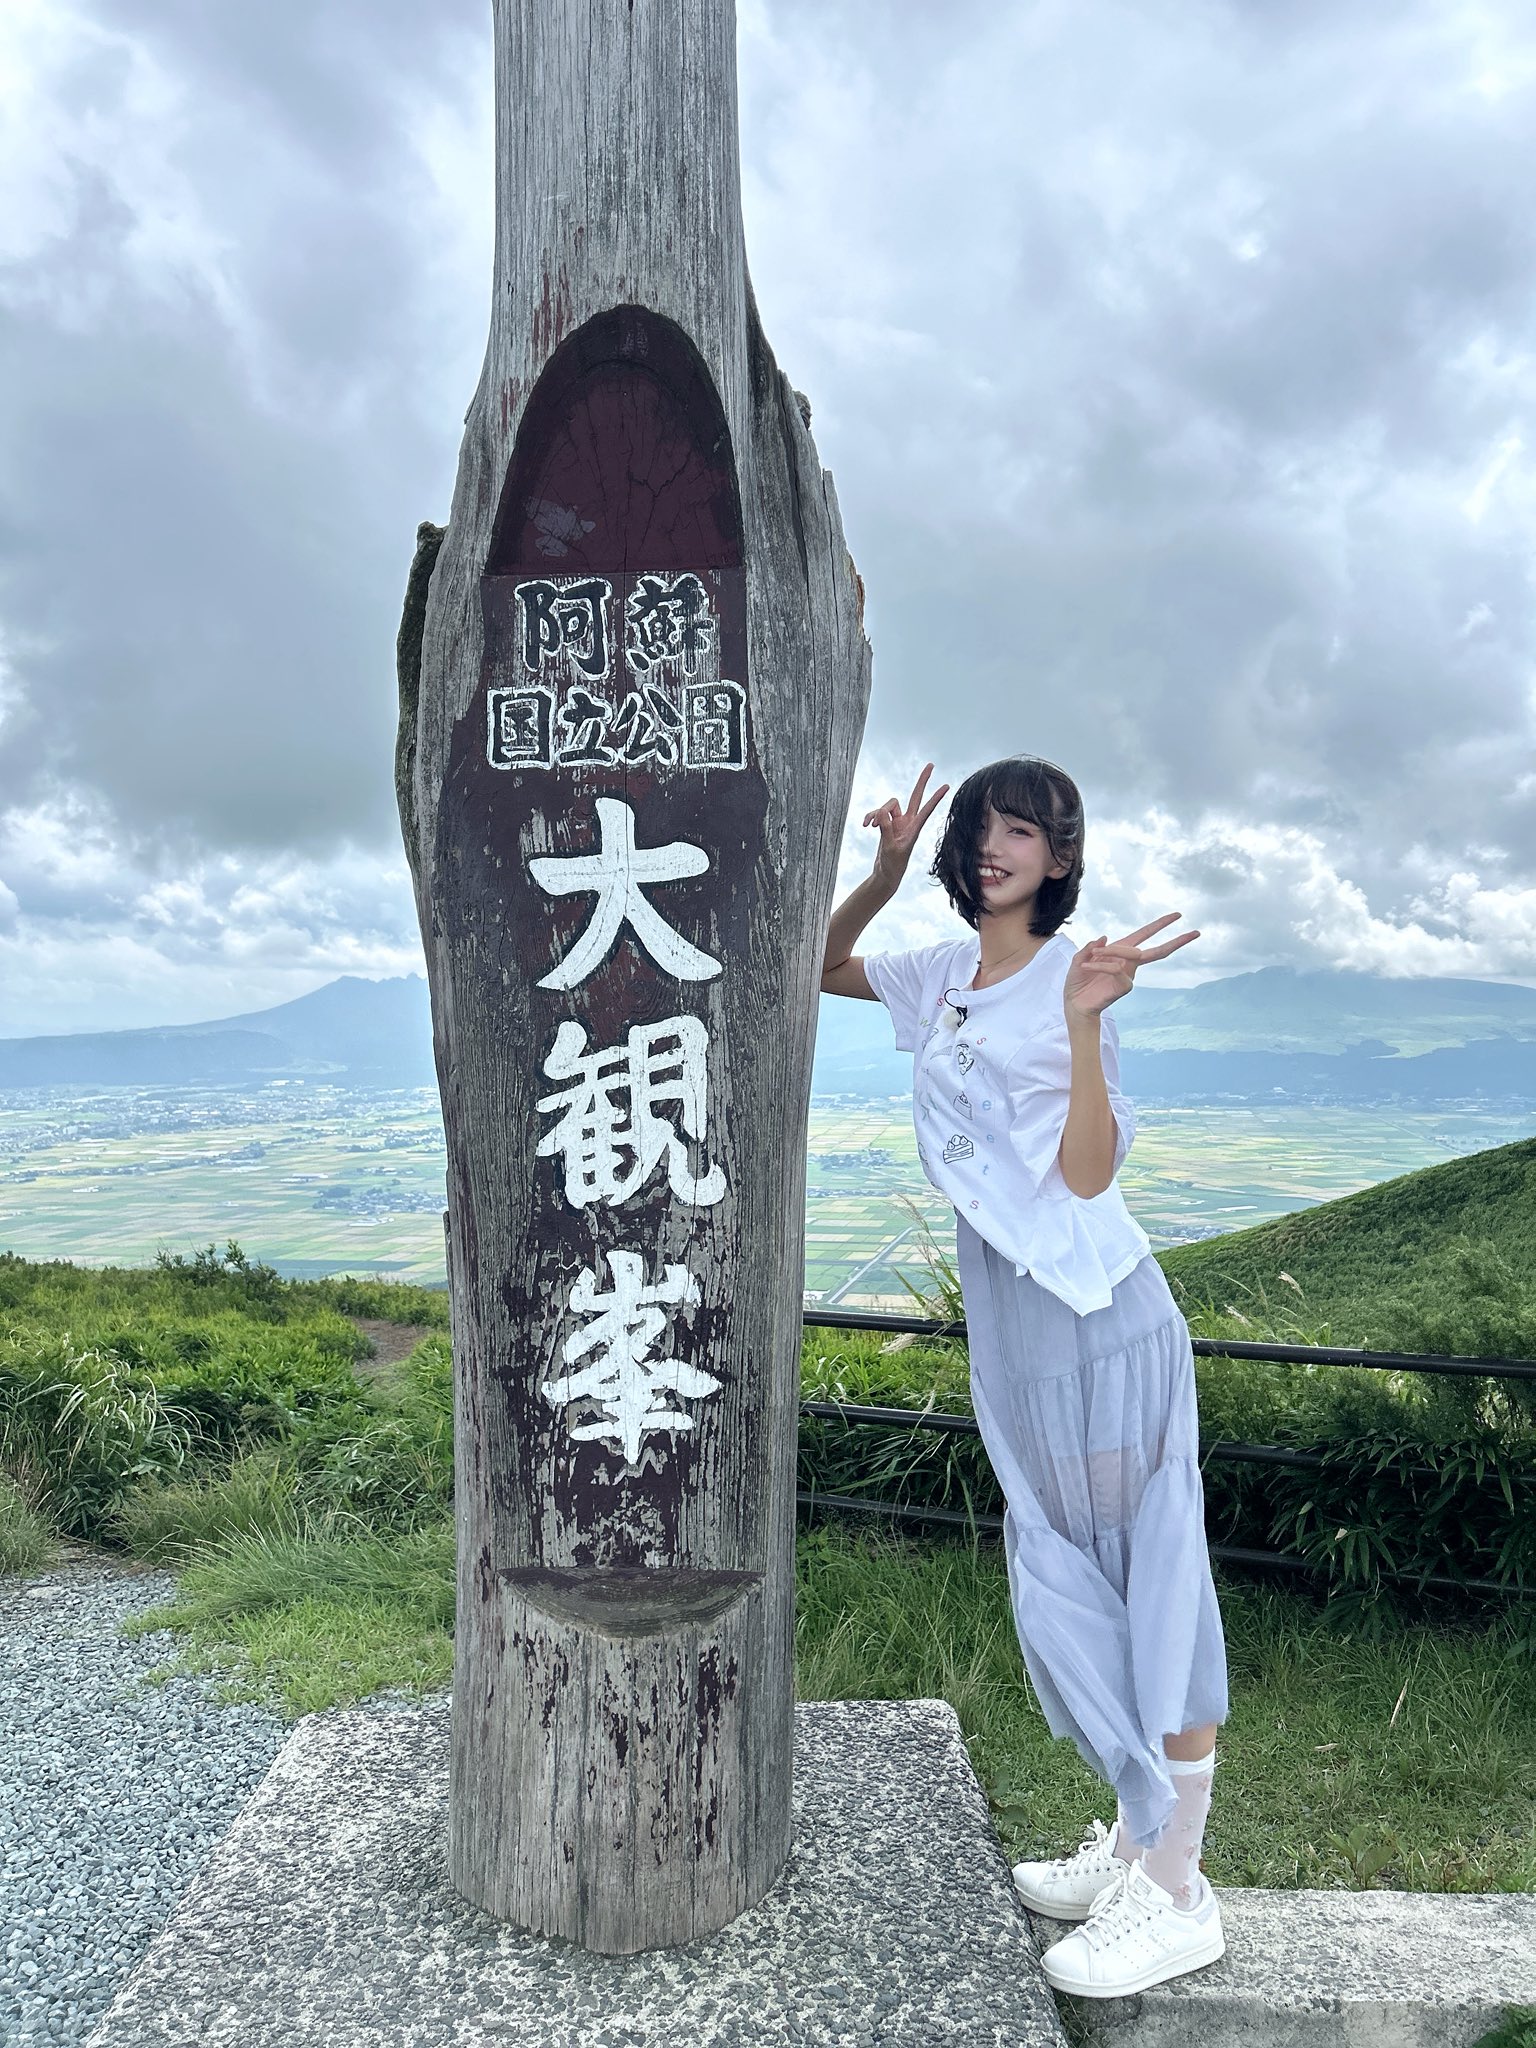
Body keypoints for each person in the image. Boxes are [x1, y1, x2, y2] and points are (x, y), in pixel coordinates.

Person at [820, 754, 1231, 2000]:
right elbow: (814, 965)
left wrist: (1089, 1021)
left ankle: (1176, 1886)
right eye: (981, 825)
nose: (996, 844)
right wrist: (880, 873)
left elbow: (1090, 1174)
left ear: (1060, 856)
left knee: (1147, 1572)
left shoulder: (1071, 974)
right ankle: (1141, 1825)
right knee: (1073, 1572)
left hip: (1098, 1317)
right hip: (1017, 1326)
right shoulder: (944, 971)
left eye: (1025, 829)